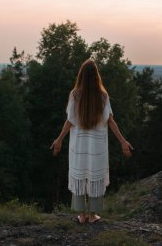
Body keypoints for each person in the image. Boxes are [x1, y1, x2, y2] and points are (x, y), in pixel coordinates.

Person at [50, 59, 133, 224]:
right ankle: (93, 214)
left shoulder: (75, 94)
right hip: (97, 146)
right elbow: (110, 121)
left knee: (79, 176)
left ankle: (81, 215)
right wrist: (123, 141)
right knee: (96, 176)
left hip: (79, 145)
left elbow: (70, 121)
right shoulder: (103, 96)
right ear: (96, 76)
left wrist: (59, 139)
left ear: (81, 75)